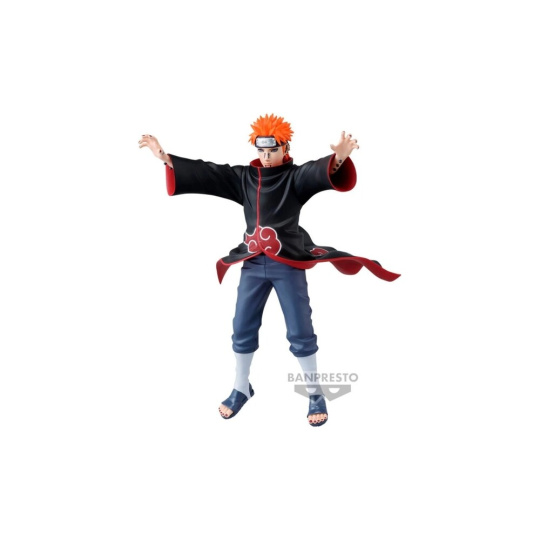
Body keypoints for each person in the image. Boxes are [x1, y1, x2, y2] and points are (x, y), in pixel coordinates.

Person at [139, 114, 400, 426]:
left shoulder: (294, 177)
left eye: (272, 150)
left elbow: (318, 172)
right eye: (261, 150)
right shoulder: (244, 177)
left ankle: (315, 392)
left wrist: (340, 157)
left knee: (300, 330)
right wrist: (165, 158)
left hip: (287, 263)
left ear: (285, 148)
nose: (265, 156)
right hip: (251, 263)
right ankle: (241, 387)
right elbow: (210, 173)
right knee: (241, 327)